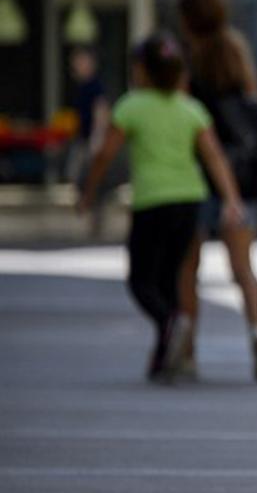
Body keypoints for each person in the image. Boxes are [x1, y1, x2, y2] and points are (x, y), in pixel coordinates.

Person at [76, 32, 246, 383]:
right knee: (170, 277)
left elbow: (104, 154)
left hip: (152, 201)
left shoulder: (131, 106)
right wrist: (231, 199)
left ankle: (170, 322)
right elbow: (214, 157)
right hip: (190, 200)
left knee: (141, 279)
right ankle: (164, 355)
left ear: (142, 70)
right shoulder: (191, 109)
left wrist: (88, 192)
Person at [176, 0, 257, 382]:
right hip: (242, 179)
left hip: (197, 176)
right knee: (243, 268)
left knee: (188, 267)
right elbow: (252, 107)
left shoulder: (187, 59)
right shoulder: (237, 51)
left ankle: (187, 350)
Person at [64, 47, 113, 239]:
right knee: (76, 175)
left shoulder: (94, 86)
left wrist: (97, 136)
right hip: (81, 138)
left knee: (92, 178)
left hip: (90, 140)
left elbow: (101, 111)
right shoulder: (81, 86)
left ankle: (94, 218)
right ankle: (88, 210)